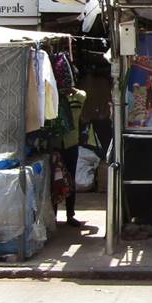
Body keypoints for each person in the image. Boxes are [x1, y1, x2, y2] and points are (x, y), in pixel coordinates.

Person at [60, 83, 87, 227]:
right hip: (60, 144)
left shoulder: (74, 100)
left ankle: (70, 214)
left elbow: (83, 94)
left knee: (69, 179)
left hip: (68, 144)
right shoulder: (56, 99)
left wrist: (68, 89)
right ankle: (61, 214)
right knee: (58, 180)